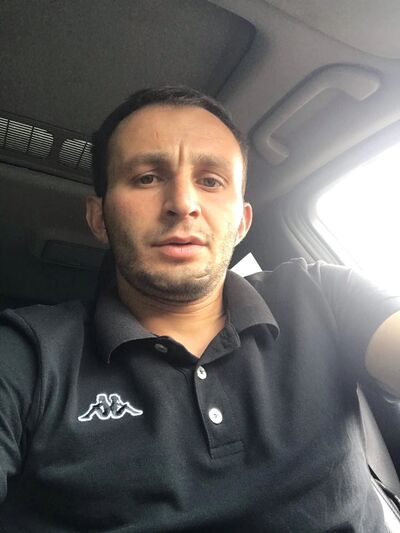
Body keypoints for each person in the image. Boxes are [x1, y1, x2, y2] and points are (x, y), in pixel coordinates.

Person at [0, 86, 399, 532]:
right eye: (146, 178)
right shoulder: (28, 356)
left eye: (210, 181)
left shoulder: (322, 294)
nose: (183, 204)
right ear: (99, 218)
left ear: (242, 222)